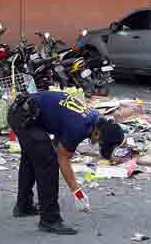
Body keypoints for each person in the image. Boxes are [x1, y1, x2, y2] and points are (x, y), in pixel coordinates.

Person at [8, 91, 125, 235]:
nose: (96, 144)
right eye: (100, 142)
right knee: (48, 162)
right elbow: (62, 158)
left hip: (24, 111)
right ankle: (49, 220)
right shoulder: (80, 127)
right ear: (97, 133)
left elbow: (60, 131)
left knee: (33, 156)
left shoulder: (94, 118)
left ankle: (23, 206)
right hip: (23, 116)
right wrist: (77, 192)